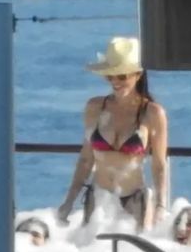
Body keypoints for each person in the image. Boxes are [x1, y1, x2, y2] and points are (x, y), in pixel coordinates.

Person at [57, 36, 169, 231]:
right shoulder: (95, 107)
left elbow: (159, 165)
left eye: (122, 76)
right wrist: (68, 202)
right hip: (99, 198)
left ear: (137, 74)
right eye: (110, 77)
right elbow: (85, 160)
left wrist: (161, 205)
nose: (115, 82)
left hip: (135, 200)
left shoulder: (152, 113)